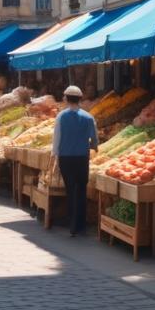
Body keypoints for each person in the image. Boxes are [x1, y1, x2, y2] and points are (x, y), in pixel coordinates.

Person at [53, 85, 98, 236]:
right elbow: (94, 140)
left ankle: (72, 223)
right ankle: (81, 224)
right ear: (80, 99)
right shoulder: (88, 117)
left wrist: (55, 154)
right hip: (82, 158)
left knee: (70, 189)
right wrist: (92, 146)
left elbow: (56, 138)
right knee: (81, 189)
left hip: (65, 158)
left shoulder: (61, 116)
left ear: (66, 98)